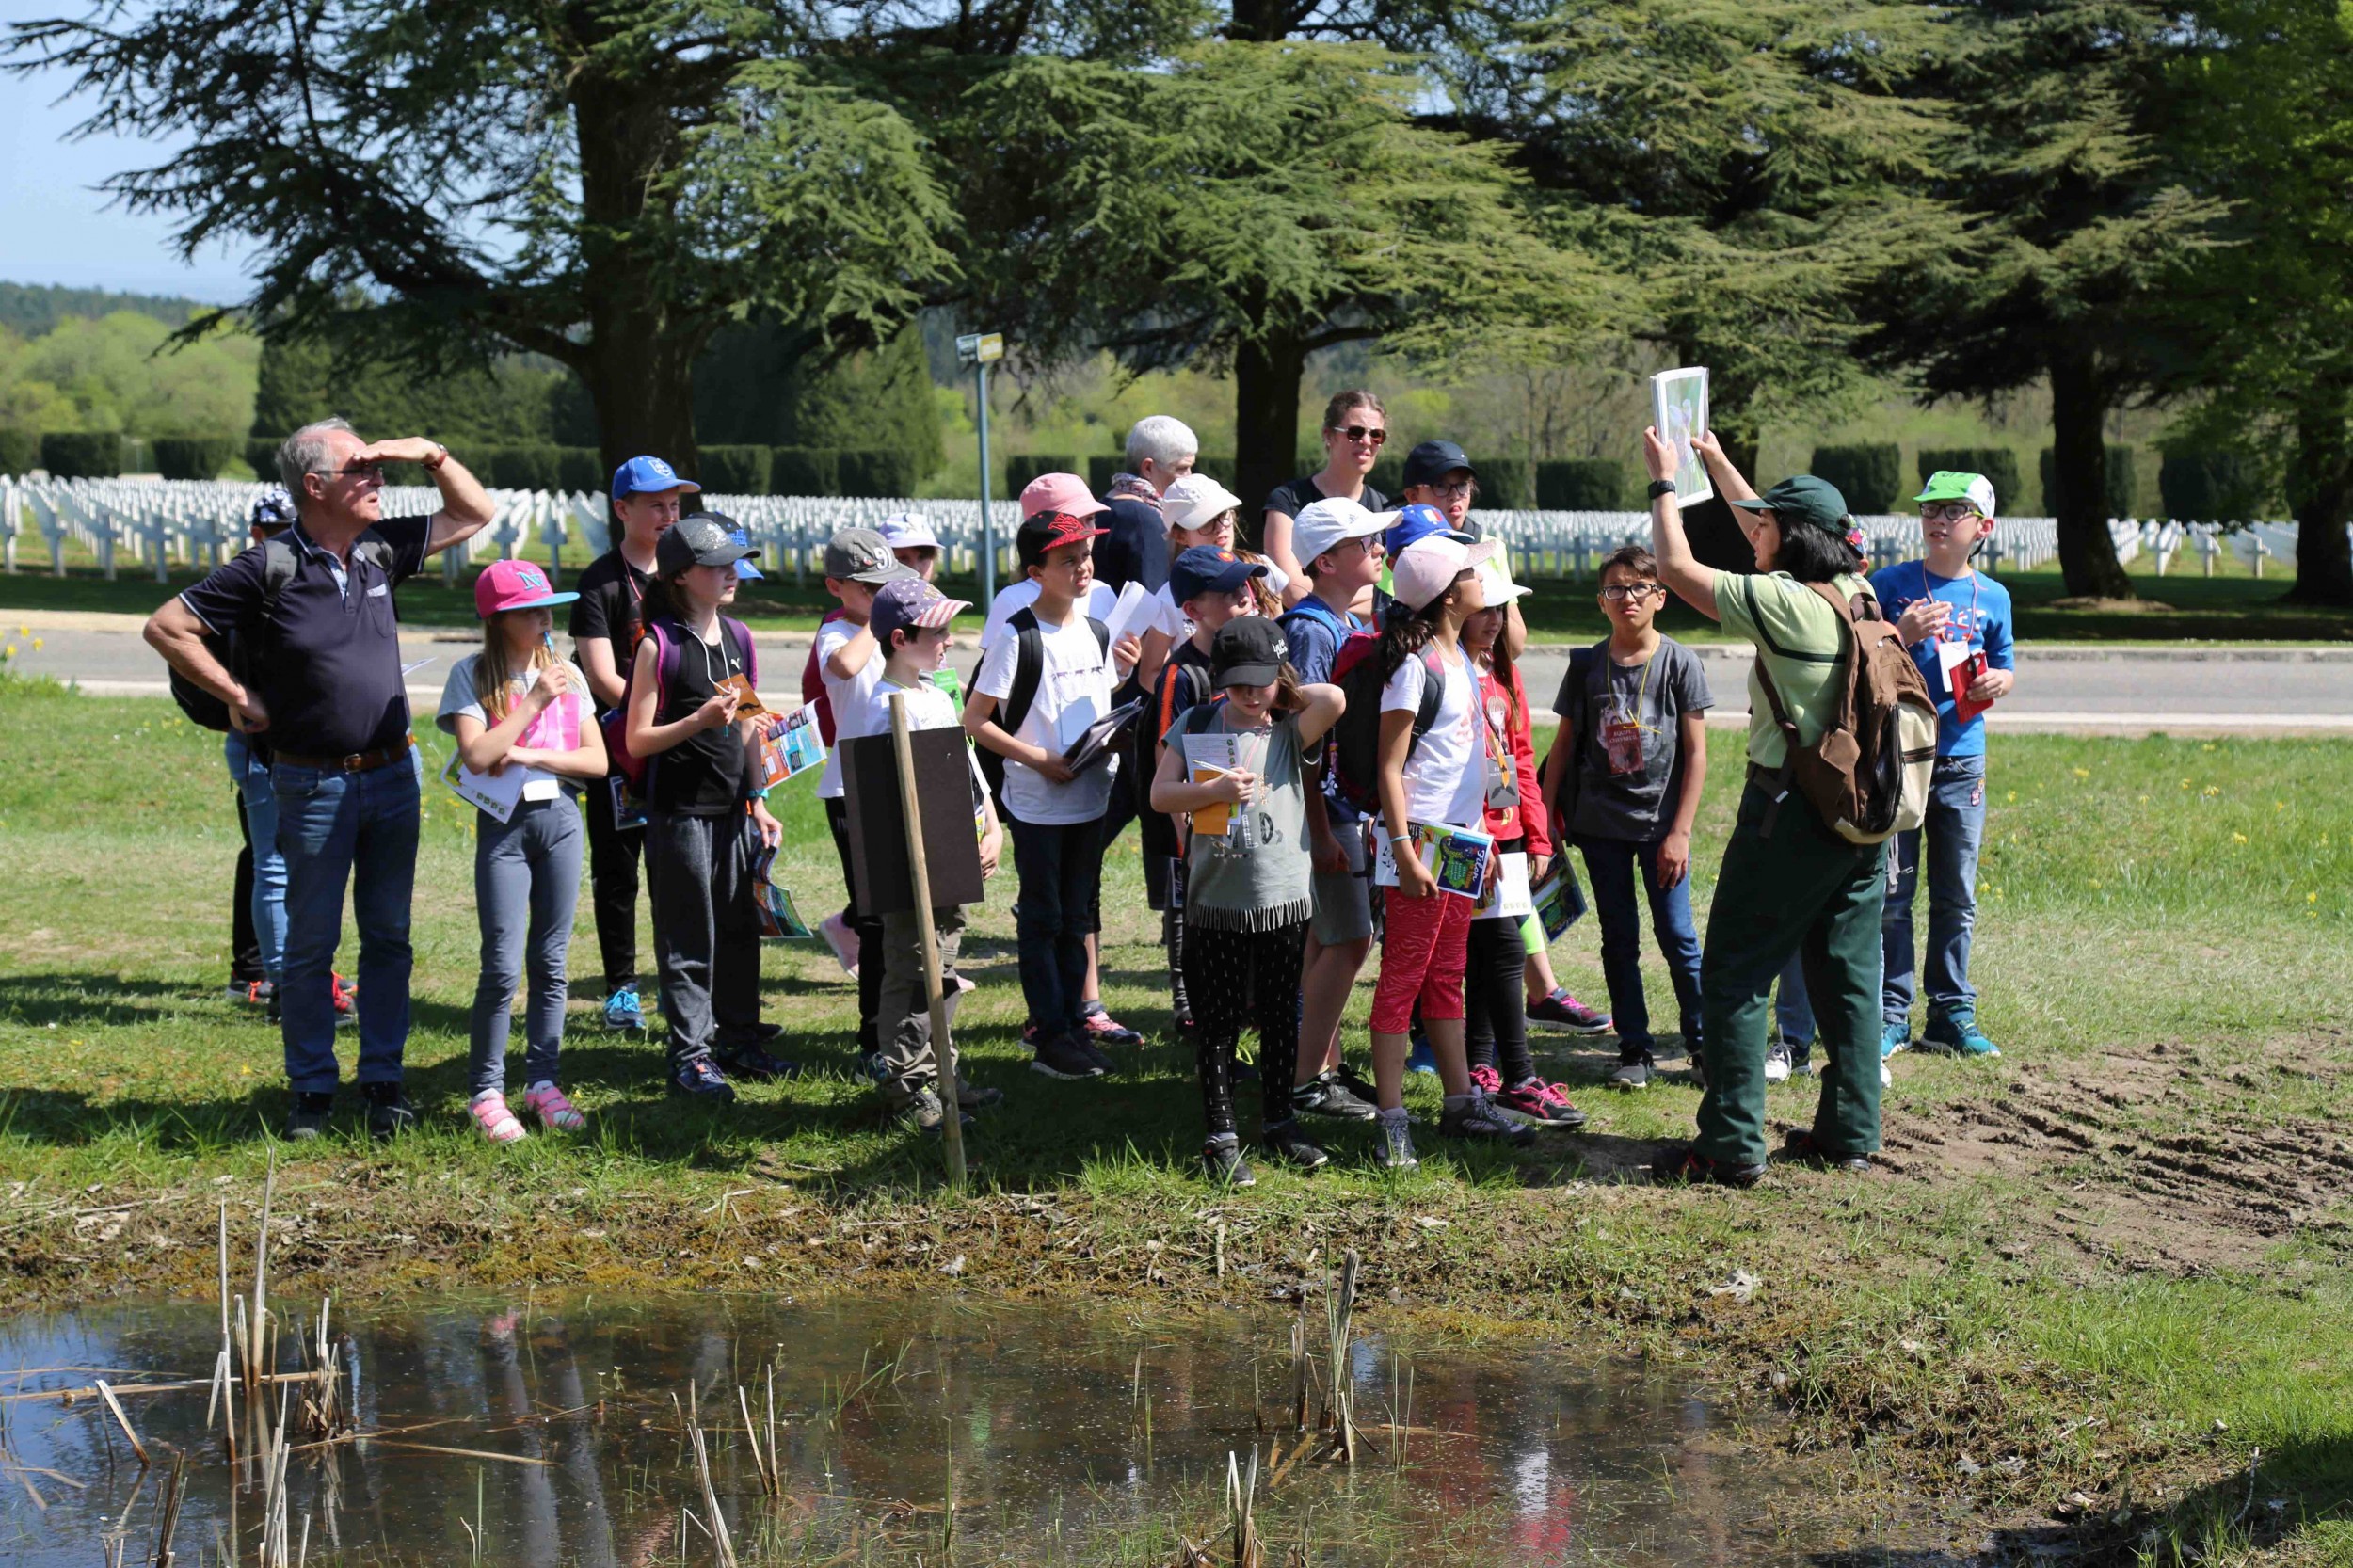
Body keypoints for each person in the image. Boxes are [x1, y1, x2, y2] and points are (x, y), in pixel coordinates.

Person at [146, 419, 495, 1140]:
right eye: (361, 469)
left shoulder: (379, 549)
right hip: (310, 786)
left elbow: (473, 513)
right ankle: (310, 1089)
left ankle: (383, 1080)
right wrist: (239, 696)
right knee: (310, 944)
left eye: (378, 469)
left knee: (389, 936)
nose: (378, 479)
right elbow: (167, 628)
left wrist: (429, 453)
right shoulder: (268, 565)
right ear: (315, 486)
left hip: (392, 776)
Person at [1645, 428, 1884, 1186]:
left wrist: (1663, 483)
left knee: (1738, 972)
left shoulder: (1783, 601)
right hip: (1864, 814)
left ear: (1793, 537)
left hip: (1788, 816)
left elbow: (1674, 569)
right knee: (1846, 976)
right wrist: (1713, 462)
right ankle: (1850, 1133)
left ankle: (1728, 1146)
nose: (1756, 532)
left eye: (1768, 526)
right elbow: (1765, 517)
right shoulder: (1857, 591)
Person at [1150, 616, 1346, 1184]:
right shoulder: (1198, 722)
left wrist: (1280, 689)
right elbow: (1161, 794)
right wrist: (1211, 791)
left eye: (1260, 681)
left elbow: (1332, 697)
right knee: (1218, 1019)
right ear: (1220, 679)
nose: (1250, 693)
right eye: (1237, 682)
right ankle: (1221, 1132)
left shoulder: (1288, 728)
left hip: (1283, 900)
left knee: (1283, 1013)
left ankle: (1280, 1122)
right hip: (1216, 902)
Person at [963, 485, 1143, 1080]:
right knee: (1043, 917)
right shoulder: (1017, 635)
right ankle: (1049, 1034)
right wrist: (1038, 759)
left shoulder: (1094, 630)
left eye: (1087, 555)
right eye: (1068, 560)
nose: (1083, 567)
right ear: (1036, 571)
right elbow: (977, 721)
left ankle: (1071, 1023)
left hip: (1089, 795)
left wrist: (1113, 728)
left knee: (1078, 914)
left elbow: (1091, 703)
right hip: (1040, 801)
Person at [1367, 534, 1532, 1170]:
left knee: (1444, 977)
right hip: (1421, 847)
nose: (1481, 583)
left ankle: (1460, 1101)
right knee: (1402, 980)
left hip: (1461, 845)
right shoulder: (1417, 668)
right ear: (1445, 594)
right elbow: (1390, 769)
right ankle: (1392, 1120)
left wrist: (1485, 839)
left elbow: (1477, 768)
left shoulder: (1466, 661)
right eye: (1470, 574)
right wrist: (1406, 853)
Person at [623, 514, 793, 1104]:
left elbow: (747, 723)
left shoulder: (739, 637)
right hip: (680, 813)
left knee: (741, 929)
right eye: (719, 564)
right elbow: (636, 740)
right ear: (681, 575)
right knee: (688, 936)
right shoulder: (659, 645)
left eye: (734, 562)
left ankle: (740, 1040)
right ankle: (691, 1059)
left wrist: (759, 797)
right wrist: (696, 721)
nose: (732, 573)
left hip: (733, 811)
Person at [438, 560, 609, 1143]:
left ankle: (542, 1082)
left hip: (561, 818)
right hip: (504, 830)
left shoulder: (567, 674)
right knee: (502, 964)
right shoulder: (471, 675)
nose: (545, 620)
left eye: (547, 609)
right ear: (499, 618)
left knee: (552, 961)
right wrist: (532, 702)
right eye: (531, 611)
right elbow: (479, 756)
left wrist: (536, 757)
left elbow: (598, 761)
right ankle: (486, 1090)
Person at [1542, 544, 1712, 1091]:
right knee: (1619, 939)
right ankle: (1634, 1048)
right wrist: (1544, 820)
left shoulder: (1680, 662)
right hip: (1600, 827)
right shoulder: (1587, 664)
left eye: (1639, 587)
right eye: (1615, 588)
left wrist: (1680, 832)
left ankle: (1704, 1041)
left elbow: (1698, 753)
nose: (1628, 598)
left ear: (1660, 597)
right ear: (1601, 601)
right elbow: (1563, 746)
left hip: (1661, 828)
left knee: (1678, 935)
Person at [1870, 470, 2015, 1061]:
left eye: (1953, 512)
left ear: (1983, 528)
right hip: (1902, 756)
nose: (1937, 520)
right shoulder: (1890, 584)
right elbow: (1864, 661)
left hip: (1962, 760)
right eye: (1930, 510)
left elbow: (2002, 661)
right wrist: (1898, 634)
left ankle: (1951, 1013)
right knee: (1893, 892)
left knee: (1956, 893)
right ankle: (1890, 1013)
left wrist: (2003, 679)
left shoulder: (1995, 597)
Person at [857, 577, 1007, 1132]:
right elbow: (892, 803)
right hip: (918, 867)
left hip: (956, 856)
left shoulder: (934, 692)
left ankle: (943, 1071)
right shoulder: (886, 708)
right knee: (913, 971)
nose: (949, 640)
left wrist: (991, 827)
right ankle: (907, 1085)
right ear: (900, 638)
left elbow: (966, 767)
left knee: (941, 968)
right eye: (937, 631)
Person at [570, 456, 699, 1034]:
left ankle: (686, 986)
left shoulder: (689, 573)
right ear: (622, 510)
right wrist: (658, 716)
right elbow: (600, 674)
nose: (668, 514)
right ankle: (622, 987)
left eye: (675, 504)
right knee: (619, 871)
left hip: (685, 744)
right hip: (621, 751)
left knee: (682, 868)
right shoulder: (600, 581)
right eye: (655, 504)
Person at [218, 487, 353, 1028]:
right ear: (256, 534)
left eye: (288, 531)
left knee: (295, 864)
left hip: (305, 744)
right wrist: (237, 701)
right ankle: (279, 983)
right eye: (271, 533)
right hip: (261, 744)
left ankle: (295, 973)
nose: (282, 543)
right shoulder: (248, 583)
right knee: (272, 866)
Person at [1459, 559, 1585, 1127]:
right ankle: (1517, 1076)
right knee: (1505, 952)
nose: (1494, 621)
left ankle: (1483, 1068)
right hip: (1469, 838)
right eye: (1484, 608)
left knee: (1494, 954)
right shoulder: (1447, 669)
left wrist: (1537, 835)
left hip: (1508, 836)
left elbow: (1522, 758)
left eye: (1502, 609)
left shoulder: (1503, 672)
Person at [1277, 498, 1388, 1124]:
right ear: (1325, 561)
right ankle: (1304, 1082)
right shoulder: (1312, 631)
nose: (1377, 547)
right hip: (1324, 813)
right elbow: (1302, 743)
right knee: (1350, 938)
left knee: (1326, 940)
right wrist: (1321, 831)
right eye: (1363, 540)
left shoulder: (1336, 623)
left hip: (1340, 811)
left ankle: (1323, 1069)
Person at [1144, 545, 1273, 1040]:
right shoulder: (1185, 674)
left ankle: (1246, 1005)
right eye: (1227, 593)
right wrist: (1187, 844)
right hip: (1203, 827)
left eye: (1244, 586)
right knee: (1198, 923)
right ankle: (1192, 1007)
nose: (1243, 596)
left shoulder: (1257, 660)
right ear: (1193, 611)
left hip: (1250, 825)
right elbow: (1165, 762)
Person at [815, 528, 920, 1077]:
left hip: (903, 777)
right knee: (876, 921)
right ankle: (872, 1041)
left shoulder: (891, 632)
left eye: (888, 584)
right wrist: (883, 624)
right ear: (836, 587)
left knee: (903, 913)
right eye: (868, 587)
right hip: (852, 788)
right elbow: (845, 669)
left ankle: (905, 1029)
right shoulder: (836, 632)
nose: (881, 595)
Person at [1259, 391, 1390, 606]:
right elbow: (1294, 593)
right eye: (1355, 433)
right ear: (1329, 435)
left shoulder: (1383, 509)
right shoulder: (1288, 501)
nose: (1367, 442)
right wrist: (1376, 598)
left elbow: (1396, 591)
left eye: (1377, 435)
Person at [1095, 415, 1197, 595]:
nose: (1189, 477)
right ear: (1148, 468)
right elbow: (1153, 603)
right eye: (1181, 469)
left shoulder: (1103, 506)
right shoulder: (1144, 520)